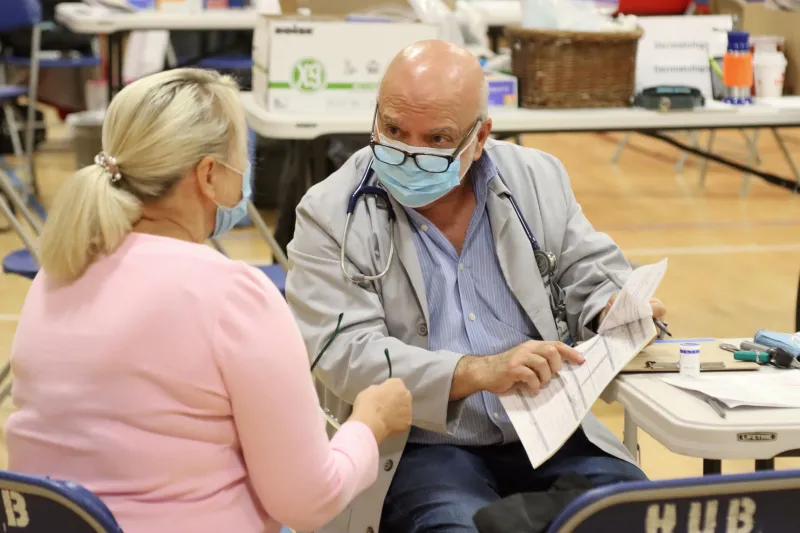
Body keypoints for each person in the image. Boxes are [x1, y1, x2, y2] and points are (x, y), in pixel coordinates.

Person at [6, 68, 412, 533]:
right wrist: (368, 425)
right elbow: (309, 500)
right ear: (207, 174)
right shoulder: (232, 295)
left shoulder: (57, 273)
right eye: (243, 163)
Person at [285, 40, 668, 533]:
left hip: (548, 432)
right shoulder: (329, 211)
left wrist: (613, 306)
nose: (409, 153)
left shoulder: (536, 178)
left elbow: (589, 270)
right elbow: (346, 355)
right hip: (421, 447)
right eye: (394, 130)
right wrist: (477, 372)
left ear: (480, 135)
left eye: (437, 139)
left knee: (630, 518)